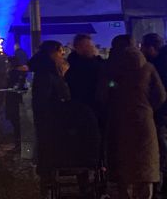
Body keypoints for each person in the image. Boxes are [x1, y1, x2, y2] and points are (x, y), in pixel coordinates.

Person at [105, 35, 166, 199]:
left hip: (120, 121)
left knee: (123, 162)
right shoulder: (148, 68)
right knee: (145, 162)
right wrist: (146, 108)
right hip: (144, 120)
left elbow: (104, 93)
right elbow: (160, 96)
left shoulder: (112, 69)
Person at [30, 41, 70, 193]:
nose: (62, 56)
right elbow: (54, 97)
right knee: (48, 149)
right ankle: (47, 181)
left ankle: (47, 180)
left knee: (45, 148)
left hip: (45, 119)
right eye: (61, 52)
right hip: (51, 119)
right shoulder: (48, 73)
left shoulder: (43, 70)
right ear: (53, 53)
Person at [142, 33, 167, 198]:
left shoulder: (153, 66)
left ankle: (161, 187)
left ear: (151, 48)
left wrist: (153, 109)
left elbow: (159, 94)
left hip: (161, 115)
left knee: (162, 151)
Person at [65, 34, 103, 111]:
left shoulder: (98, 62)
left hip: (99, 104)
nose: (90, 48)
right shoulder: (72, 65)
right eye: (86, 45)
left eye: (91, 45)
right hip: (82, 106)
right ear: (77, 47)